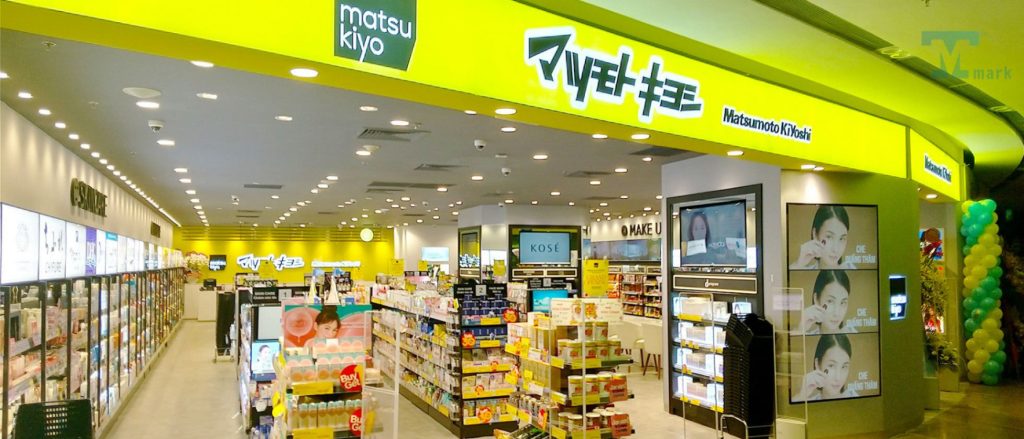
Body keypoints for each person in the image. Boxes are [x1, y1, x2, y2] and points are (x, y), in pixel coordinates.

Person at [794, 334, 858, 401]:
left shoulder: (856, 399)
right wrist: (802, 395)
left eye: (844, 367)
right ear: (817, 364)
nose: (838, 378)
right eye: (831, 365)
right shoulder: (805, 400)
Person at [791, 205, 855, 270]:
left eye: (841, 239)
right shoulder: (800, 269)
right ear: (815, 234)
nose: (835, 249)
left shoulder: (851, 268)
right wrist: (799, 263)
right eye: (829, 237)